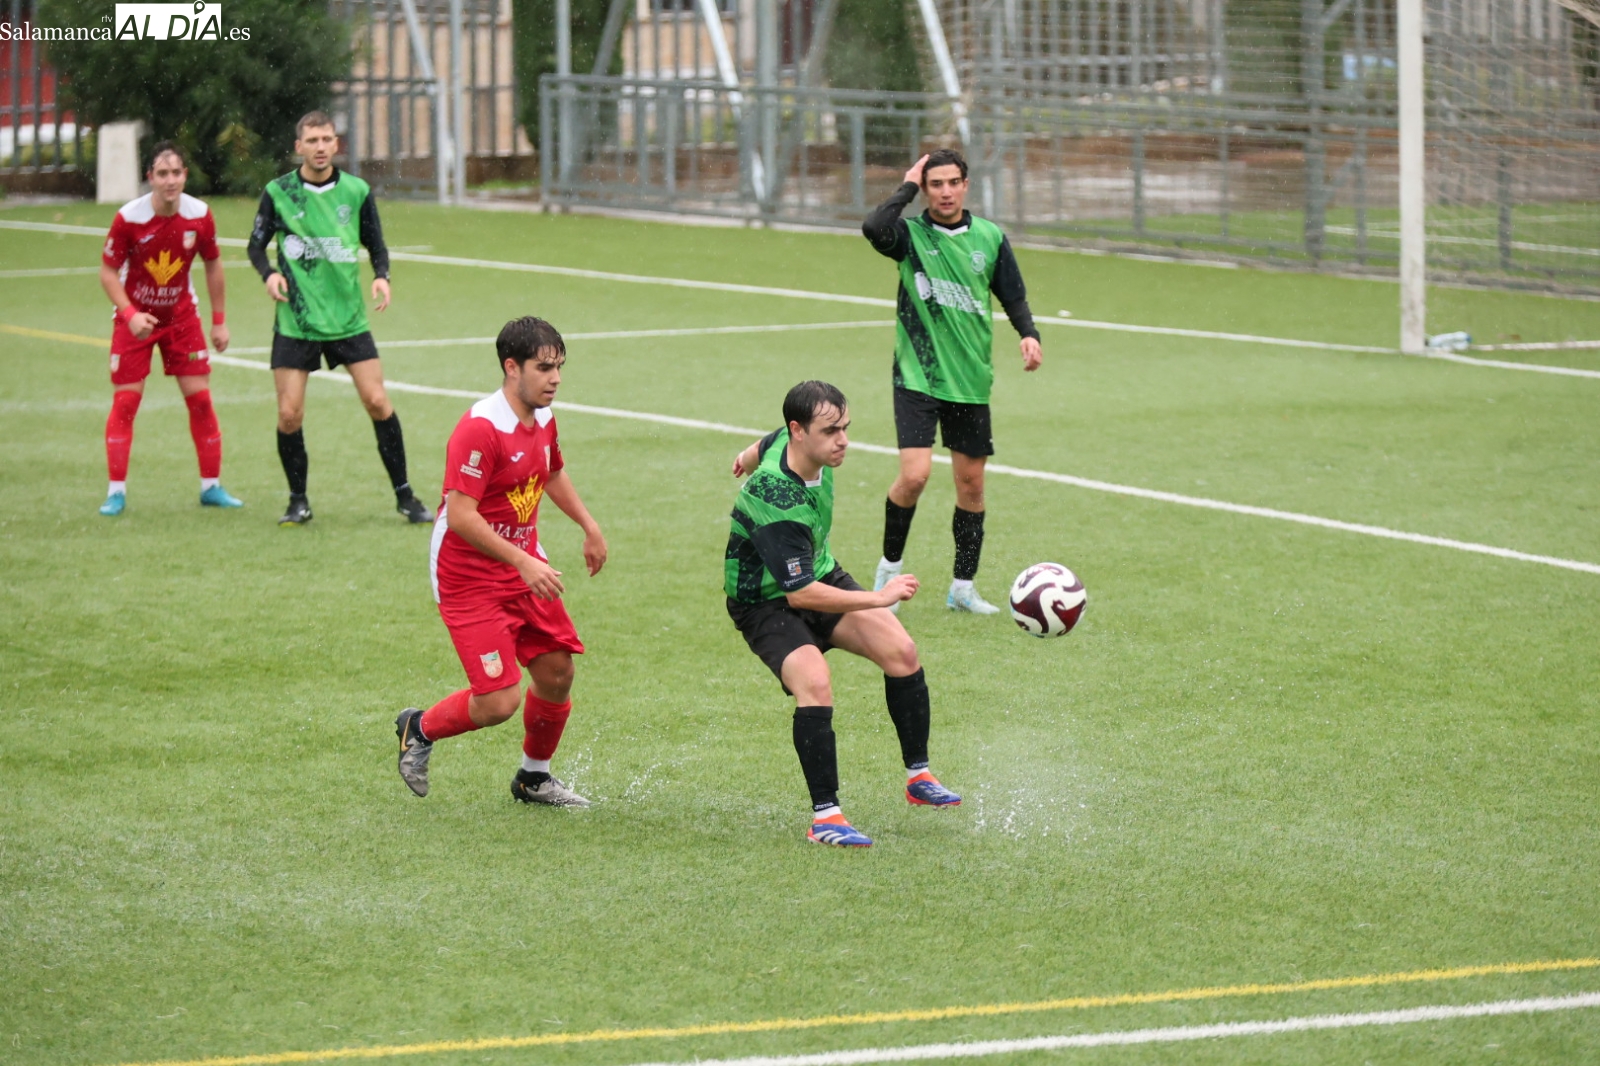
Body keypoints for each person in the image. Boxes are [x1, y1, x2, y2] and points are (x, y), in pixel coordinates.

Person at [726, 380, 962, 848]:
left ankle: (919, 777)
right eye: (831, 431)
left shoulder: (793, 443)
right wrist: (878, 598)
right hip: (764, 601)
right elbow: (800, 596)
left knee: (902, 650)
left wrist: (744, 456)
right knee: (814, 682)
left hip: (818, 575)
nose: (843, 441)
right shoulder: (776, 496)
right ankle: (826, 818)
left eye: (846, 428)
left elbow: (765, 441)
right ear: (800, 431)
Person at [394, 316, 607, 807]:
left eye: (559, 367)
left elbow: (551, 472)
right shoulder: (480, 429)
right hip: (467, 577)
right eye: (544, 367)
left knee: (557, 671)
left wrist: (588, 526)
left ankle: (534, 778)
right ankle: (418, 728)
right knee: (498, 701)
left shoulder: (544, 417)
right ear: (511, 368)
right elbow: (463, 517)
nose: (555, 378)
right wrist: (524, 561)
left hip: (521, 565)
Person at [861, 148, 1043, 614]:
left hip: (970, 380)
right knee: (915, 475)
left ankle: (963, 588)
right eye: (935, 183)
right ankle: (887, 570)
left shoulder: (989, 237)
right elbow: (873, 227)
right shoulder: (909, 236)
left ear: (966, 185)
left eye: (952, 182)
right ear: (925, 188)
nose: (944, 192)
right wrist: (905, 184)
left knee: (971, 485)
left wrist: (1028, 335)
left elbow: (1013, 295)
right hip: (918, 376)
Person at [247, 110, 431, 527]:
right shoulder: (278, 193)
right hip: (297, 321)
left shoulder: (357, 191)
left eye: (326, 139)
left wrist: (382, 277)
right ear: (299, 147)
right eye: (311, 140)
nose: (319, 147)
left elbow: (377, 245)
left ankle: (406, 497)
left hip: (349, 320)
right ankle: (298, 501)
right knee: (289, 414)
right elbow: (256, 246)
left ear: (336, 144)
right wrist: (270, 273)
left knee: (378, 401)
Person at [97, 141, 241, 516]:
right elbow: (108, 272)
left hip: (181, 319)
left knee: (201, 401)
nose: (170, 180)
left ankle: (211, 487)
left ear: (185, 176)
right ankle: (116, 493)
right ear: (150, 178)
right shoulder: (129, 218)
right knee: (126, 403)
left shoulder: (200, 215)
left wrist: (219, 321)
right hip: (135, 321)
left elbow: (213, 264)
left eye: (176, 172)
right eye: (162, 173)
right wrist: (130, 315)